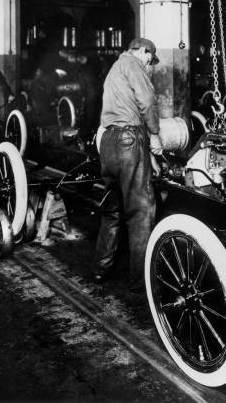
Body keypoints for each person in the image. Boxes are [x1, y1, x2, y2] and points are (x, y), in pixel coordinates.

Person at [92, 38, 163, 290]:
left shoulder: (115, 68)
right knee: (141, 210)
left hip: (108, 142)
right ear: (142, 50)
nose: (149, 65)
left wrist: (148, 156)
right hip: (129, 140)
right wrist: (154, 135)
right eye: (149, 59)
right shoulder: (134, 65)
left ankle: (101, 268)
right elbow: (147, 100)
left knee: (112, 209)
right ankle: (141, 279)